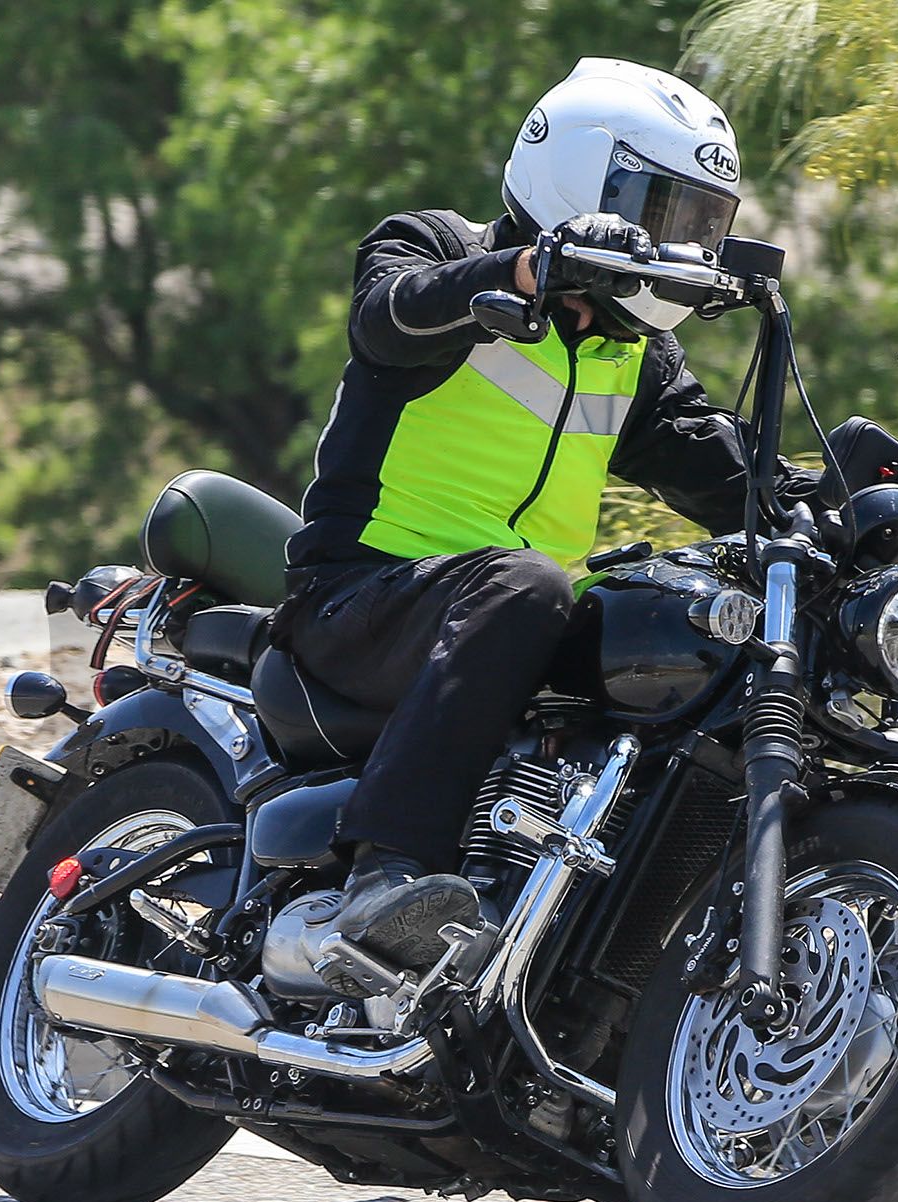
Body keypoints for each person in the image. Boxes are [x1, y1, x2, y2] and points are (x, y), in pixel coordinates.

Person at [276, 58, 809, 984]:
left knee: (686, 630)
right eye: (659, 211)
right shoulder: (435, 251)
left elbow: (728, 474)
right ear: (579, 174)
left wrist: (889, 493)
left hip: (509, 621)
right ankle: (383, 875)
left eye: (698, 224)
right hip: (362, 598)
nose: (677, 244)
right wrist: (526, 270)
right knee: (529, 581)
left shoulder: (630, 353)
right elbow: (385, 315)